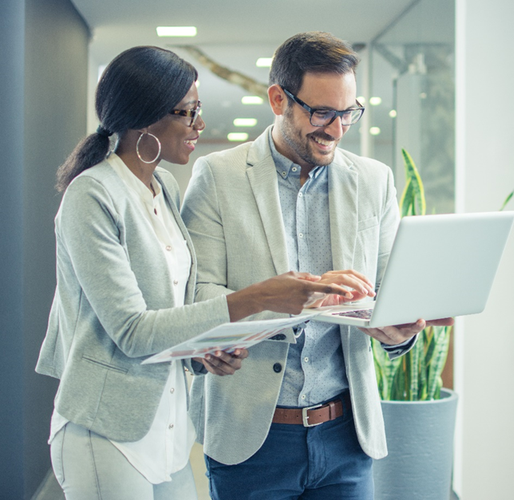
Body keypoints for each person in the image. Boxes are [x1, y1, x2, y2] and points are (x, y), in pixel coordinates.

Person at [35, 45, 356, 500]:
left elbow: (173, 312)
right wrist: (261, 296)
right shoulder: (92, 196)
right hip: (105, 429)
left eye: (198, 110)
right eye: (187, 113)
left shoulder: (162, 186)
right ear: (143, 117)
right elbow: (131, 331)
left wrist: (201, 354)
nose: (199, 125)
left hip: (169, 431)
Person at [181, 32, 453, 499]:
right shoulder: (217, 176)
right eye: (321, 112)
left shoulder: (374, 181)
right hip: (252, 439)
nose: (336, 129)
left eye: (348, 113)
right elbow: (199, 296)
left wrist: (398, 332)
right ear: (277, 98)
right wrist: (293, 295)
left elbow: (389, 289)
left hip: (346, 436)